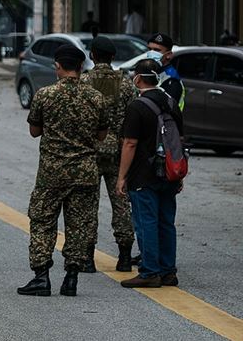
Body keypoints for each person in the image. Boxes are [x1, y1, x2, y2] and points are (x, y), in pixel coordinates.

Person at [18, 44, 109, 297]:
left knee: (43, 221)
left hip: (52, 172)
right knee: (79, 224)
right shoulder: (96, 97)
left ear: (58, 67)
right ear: (81, 67)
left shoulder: (45, 95)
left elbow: (34, 131)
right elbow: (102, 136)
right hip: (85, 172)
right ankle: (71, 278)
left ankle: (41, 277)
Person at [115, 58, 184, 288]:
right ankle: (168, 272)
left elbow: (130, 144)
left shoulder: (138, 106)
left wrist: (122, 177)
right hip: (169, 172)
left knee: (146, 222)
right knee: (166, 222)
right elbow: (178, 141)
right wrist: (180, 174)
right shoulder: (171, 102)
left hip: (144, 175)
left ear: (138, 78)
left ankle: (149, 272)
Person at [80, 36, 137, 273]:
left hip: (90, 151)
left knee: (87, 206)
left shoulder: (84, 82)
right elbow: (134, 118)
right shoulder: (126, 85)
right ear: (113, 57)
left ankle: (87, 258)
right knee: (121, 203)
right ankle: (124, 256)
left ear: (92, 56)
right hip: (119, 153)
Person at [146, 33, 184, 111]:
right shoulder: (151, 72)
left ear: (169, 55)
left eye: (157, 50)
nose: (151, 53)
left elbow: (166, 108)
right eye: (149, 49)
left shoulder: (171, 79)